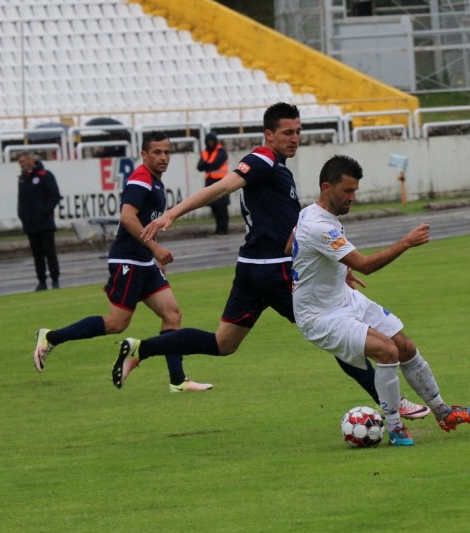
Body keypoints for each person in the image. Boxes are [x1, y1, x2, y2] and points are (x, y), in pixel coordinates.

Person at [110, 103, 428, 420]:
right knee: (337, 331)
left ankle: (141, 349)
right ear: (268, 135)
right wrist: (171, 214)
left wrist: (338, 267)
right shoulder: (262, 159)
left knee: (223, 343)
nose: (295, 138)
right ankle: (394, 402)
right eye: (287, 132)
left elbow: (294, 228)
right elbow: (222, 186)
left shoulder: (279, 168)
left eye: (298, 131)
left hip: (252, 268)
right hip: (275, 270)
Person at [289, 155, 470, 446]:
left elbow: (292, 245)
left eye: (355, 191)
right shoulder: (320, 226)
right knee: (386, 351)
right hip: (320, 316)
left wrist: (335, 269)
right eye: (347, 191)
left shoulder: (310, 215)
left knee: (405, 346)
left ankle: (444, 413)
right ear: (326, 187)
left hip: (344, 298)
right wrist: (406, 243)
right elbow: (365, 264)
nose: (352, 197)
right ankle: (395, 428)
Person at [31, 131, 212, 393]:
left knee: (172, 314)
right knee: (117, 324)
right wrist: (156, 248)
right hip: (127, 260)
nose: (163, 157)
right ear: (144, 154)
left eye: (167, 152)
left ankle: (177, 380)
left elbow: (142, 220)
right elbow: (127, 217)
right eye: (157, 152)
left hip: (143, 261)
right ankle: (50, 337)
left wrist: (152, 255)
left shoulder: (155, 182)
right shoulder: (141, 178)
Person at [16, 152, 62, 291]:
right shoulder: (22, 179)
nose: (21, 164)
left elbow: (55, 196)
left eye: (23, 161)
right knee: (37, 255)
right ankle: (41, 281)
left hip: (45, 222)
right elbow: (21, 200)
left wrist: (45, 211)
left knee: (50, 252)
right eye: (19, 161)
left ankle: (55, 280)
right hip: (30, 223)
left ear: (31, 161)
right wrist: (22, 215)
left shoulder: (44, 175)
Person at [197, 131, 230, 235]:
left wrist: (206, 164)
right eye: (209, 141)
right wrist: (208, 164)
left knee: (222, 206)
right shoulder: (205, 152)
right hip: (210, 182)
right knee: (214, 207)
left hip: (221, 181)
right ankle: (218, 228)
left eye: (212, 141)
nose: (210, 143)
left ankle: (223, 229)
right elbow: (199, 167)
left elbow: (215, 164)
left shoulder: (221, 151)